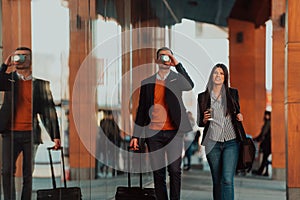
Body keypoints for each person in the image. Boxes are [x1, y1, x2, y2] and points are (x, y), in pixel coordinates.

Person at [129, 47, 194, 200]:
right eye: (162, 57)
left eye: (168, 57)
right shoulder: (147, 83)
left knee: (175, 170)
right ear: (157, 60)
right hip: (154, 133)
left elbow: (190, 85)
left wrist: (176, 63)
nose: (165, 60)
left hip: (174, 133)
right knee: (158, 172)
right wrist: (135, 136)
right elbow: (141, 111)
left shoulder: (177, 79)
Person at [0, 47, 61, 200]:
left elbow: (49, 111)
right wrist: (4, 66)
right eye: (17, 56)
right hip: (10, 133)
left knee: (28, 174)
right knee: (6, 171)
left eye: (24, 56)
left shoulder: (40, 85)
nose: (20, 59)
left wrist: (55, 136)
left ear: (31, 61)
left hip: (30, 134)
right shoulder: (9, 80)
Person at [197, 63, 243, 200]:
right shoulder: (203, 97)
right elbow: (200, 122)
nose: (218, 75)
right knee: (217, 181)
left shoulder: (232, 93)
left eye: (221, 73)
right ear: (211, 76)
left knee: (227, 179)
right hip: (212, 143)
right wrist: (204, 120)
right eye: (215, 73)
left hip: (231, 141)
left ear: (225, 77)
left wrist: (240, 116)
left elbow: (237, 113)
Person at [96, 110, 122, 178]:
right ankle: (110, 171)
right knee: (112, 158)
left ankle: (105, 169)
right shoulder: (111, 123)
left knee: (106, 158)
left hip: (105, 143)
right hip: (111, 143)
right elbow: (114, 134)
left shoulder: (103, 122)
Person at [252, 110, 271, 176]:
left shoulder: (268, 123)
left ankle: (261, 171)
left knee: (264, 158)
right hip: (267, 143)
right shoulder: (268, 123)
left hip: (267, 143)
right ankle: (264, 171)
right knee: (265, 158)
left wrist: (257, 139)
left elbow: (263, 133)